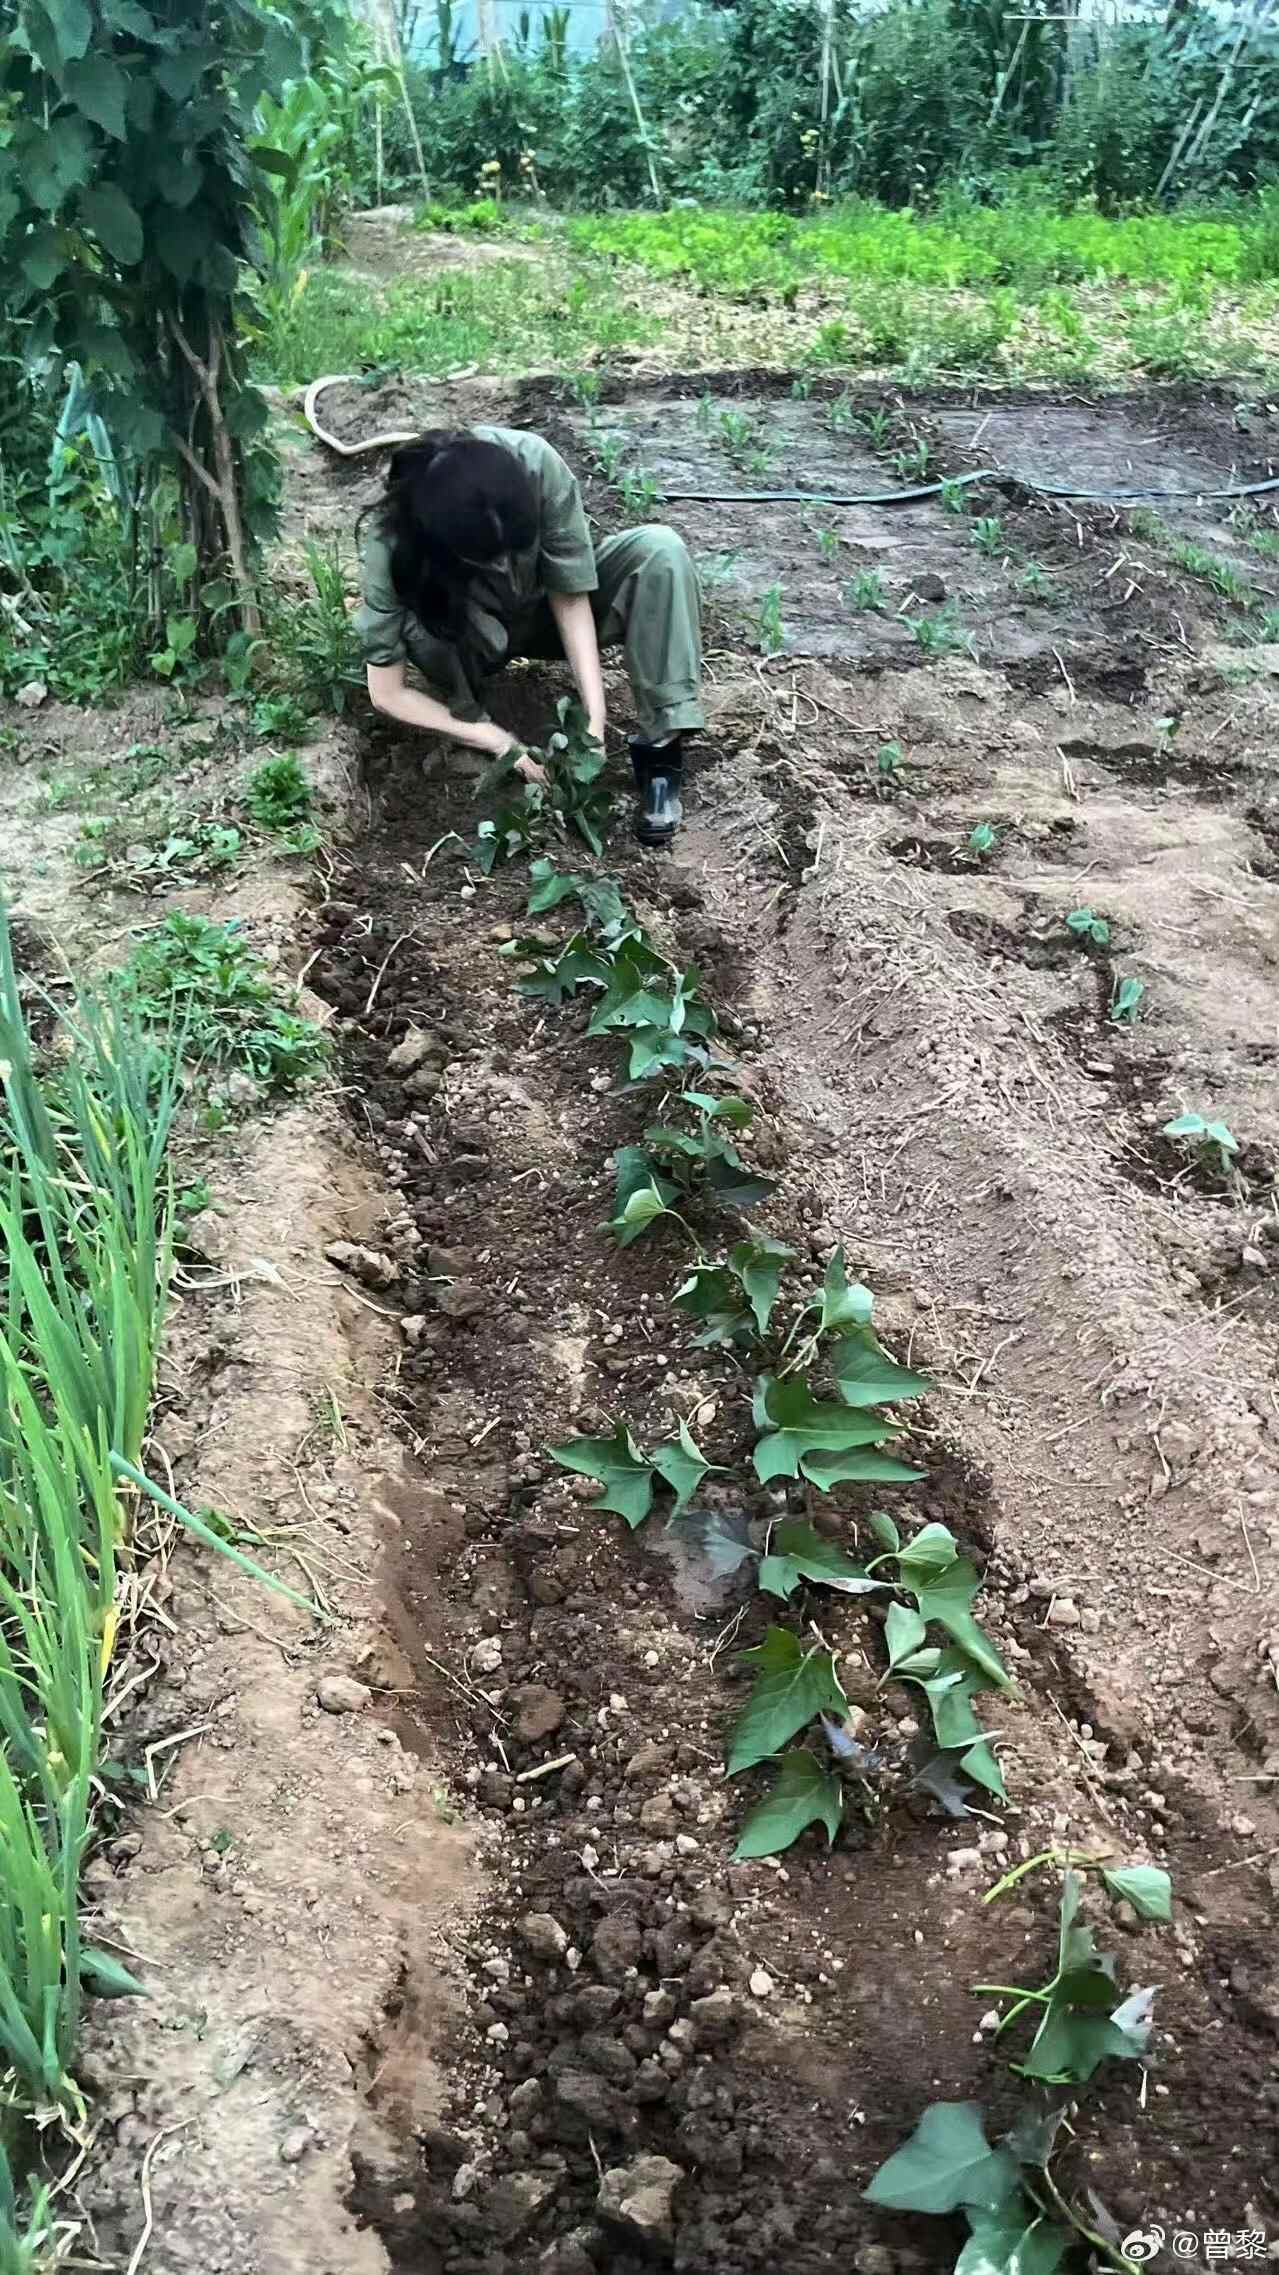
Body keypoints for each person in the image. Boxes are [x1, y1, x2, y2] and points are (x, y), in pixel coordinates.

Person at [356, 425, 704, 848]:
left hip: (539, 611)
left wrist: (593, 722)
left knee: (659, 551)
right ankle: (470, 708)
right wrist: (500, 742)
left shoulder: (535, 463)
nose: (503, 565)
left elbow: (570, 595)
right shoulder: (395, 539)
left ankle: (661, 755)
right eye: (488, 558)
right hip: (467, 638)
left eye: (512, 549)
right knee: (418, 619)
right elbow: (387, 692)